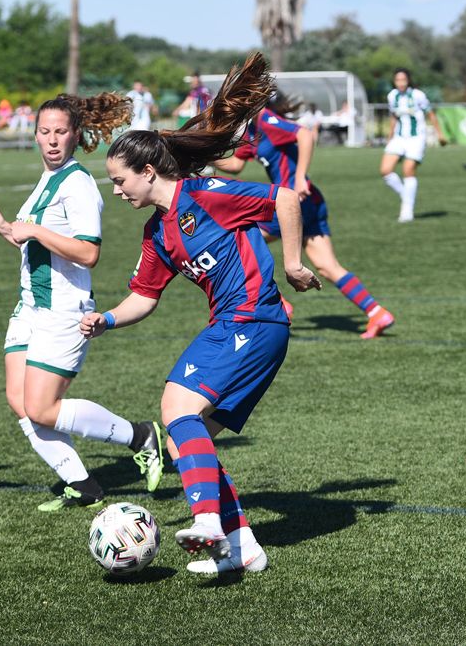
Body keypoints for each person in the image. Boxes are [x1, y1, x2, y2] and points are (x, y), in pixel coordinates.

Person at [80, 52, 321, 575]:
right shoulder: (156, 234)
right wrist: (107, 320)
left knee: (176, 409)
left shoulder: (205, 194)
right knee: (186, 433)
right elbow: (144, 297)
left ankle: (208, 522)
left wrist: (295, 264)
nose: (117, 191)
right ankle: (243, 546)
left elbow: (284, 197)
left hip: (254, 319)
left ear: (149, 172)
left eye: (121, 181)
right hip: (233, 325)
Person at [0, 92, 164, 511]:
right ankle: (82, 484)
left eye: (61, 131)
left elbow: (88, 252)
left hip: (64, 309)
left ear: (77, 135)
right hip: (29, 306)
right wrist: (6, 228)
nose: (52, 140)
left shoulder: (78, 184)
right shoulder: (48, 180)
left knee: (42, 408)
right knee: (18, 399)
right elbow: (34, 243)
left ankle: (140, 436)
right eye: (44, 132)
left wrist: (32, 230)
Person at [215, 90, 395, 339]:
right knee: (327, 265)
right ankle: (376, 312)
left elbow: (305, 134)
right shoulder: (253, 131)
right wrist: (206, 155)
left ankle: (277, 302)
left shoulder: (266, 119)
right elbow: (235, 165)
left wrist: (299, 177)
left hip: (292, 202)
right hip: (308, 201)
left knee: (236, 240)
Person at [380, 68, 447, 223]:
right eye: (398, 80)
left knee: (408, 169)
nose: (401, 83)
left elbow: (430, 114)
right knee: (385, 171)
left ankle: (407, 211)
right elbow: (393, 117)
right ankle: (407, 196)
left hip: (416, 138)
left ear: (408, 80)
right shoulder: (392, 96)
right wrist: (390, 136)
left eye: (403, 79)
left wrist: (440, 134)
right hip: (399, 137)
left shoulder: (418, 95)